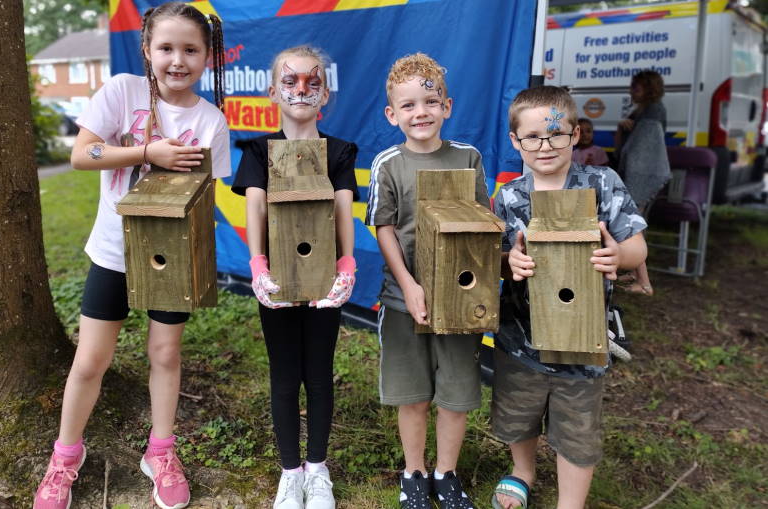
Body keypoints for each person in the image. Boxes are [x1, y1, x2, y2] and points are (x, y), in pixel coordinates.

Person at [33, 2, 231, 509]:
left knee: (165, 353)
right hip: (112, 253)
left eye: (191, 49)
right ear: (147, 50)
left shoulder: (210, 121)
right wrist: (148, 152)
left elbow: (205, 194)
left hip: (172, 259)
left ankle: (160, 452)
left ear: (207, 57)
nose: (177, 60)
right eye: (166, 48)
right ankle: (64, 458)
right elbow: (82, 154)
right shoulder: (122, 91)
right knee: (91, 359)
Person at [491, 86, 647, 509]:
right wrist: (510, 262)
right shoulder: (508, 197)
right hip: (520, 339)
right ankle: (523, 471)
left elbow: (637, 246)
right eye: (533, 137)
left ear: (575, 135)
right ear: (514, 141)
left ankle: (570, 502)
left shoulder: (601, 184)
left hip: (583, 342)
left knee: (578, 428)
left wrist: (619, 254)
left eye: (557, 135)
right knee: (519, 413)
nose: (545, 146)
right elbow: (495, 260)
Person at [231, 45, 358, 509]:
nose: (302, 90)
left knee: (319, 375)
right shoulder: (258, 151)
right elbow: (256, 208)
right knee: (285, 377)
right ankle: (291, 472)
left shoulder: (339, 152)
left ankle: (318, 469)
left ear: (326, 93)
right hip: (279, 281)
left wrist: (346, 264)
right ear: (272, 92)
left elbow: (343, 206)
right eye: (291, 81)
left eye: (312, 82)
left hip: (324, 278)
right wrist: (258, 265)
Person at [365, 53, 490, 509]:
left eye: (430, 101)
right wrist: (411, 285)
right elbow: (384, 228)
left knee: (455, 393)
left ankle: (446, 473)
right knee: (413, 393)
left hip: (457, 303)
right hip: (403, 300)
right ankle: (414, 472)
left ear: (447, 106)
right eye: (409, 105)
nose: (421, 112)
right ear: (392, 114)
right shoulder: (387, 164)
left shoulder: (467, 158)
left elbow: (482, 222)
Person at [614, 70, 670, 295]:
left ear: (648, 88)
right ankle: (637, 273)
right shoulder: (640, 111)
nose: (631, 91)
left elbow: (645, 149)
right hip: (640, 173)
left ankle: (644, 283)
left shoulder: (653, 111)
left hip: (643, 175)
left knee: (633, 225)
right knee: (636, 224)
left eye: (635, 87)